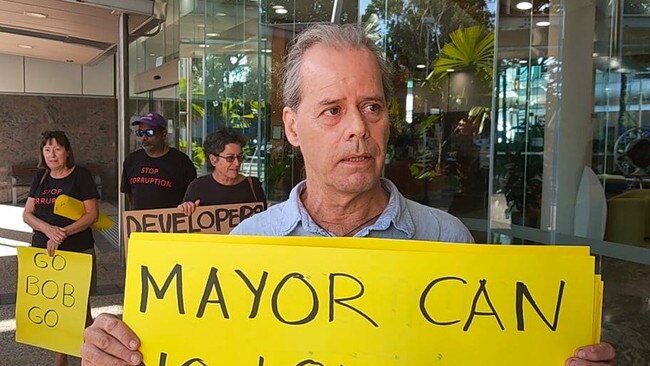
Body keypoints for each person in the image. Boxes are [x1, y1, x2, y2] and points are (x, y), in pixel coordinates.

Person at [80, 24, 615, 366]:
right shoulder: (246, 246)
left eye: (373, 107)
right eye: (332, 110)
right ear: (292, 127)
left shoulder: (446, 240)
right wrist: (120, 354)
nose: (358, 128)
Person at [23, 131, 99, 366]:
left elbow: (92, 215)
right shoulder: (41, 177)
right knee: (53, 304)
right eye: (47, 149)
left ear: (67, 151)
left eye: (57, 149)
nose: (52, 154)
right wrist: (48, 230)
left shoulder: (80, 176)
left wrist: (62, 233)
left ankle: (91, 354)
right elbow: (27, 214)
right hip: (44, 251)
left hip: (77, 250)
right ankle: (61, 357)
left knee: (79, 306)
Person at [177, 128, 267, 216]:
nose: (237, 163)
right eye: (230, 158)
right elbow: (183, 220)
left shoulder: (253, 185)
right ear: (213, 160)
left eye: (239, 157)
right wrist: (186, 208)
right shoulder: (198, 187)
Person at [121, 112, 197, 210]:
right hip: (141, 222)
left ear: (163, 134)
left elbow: (193, 194)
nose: (144, 138)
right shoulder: (131, 160)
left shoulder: (181, 162)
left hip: (172, 222)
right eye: (140, 133)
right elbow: (129, 193)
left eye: (150, 132)